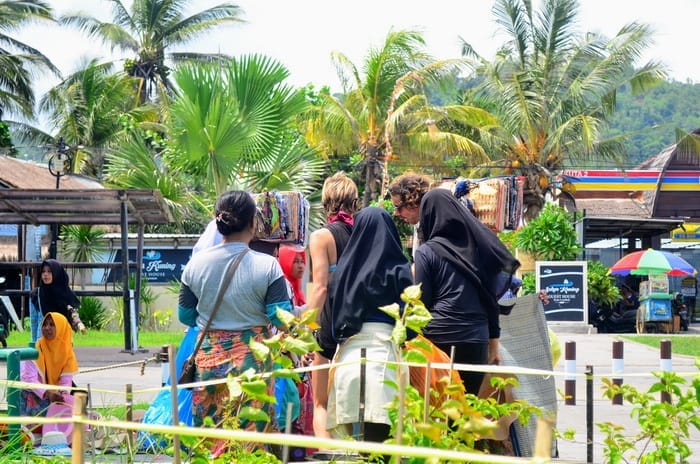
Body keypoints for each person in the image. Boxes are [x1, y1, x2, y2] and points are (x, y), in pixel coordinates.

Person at [178, 190, 293, 451]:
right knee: (251, 436)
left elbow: (185, 315)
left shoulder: (196, 265)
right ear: (253, 223)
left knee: (210, 434)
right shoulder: (268, 266)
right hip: (253, 361)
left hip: (208, 360)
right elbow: (279, 315)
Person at [413, 188, 520, 395]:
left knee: (437, 409)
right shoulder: (480, 248)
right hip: (475, 338)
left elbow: (422, 302)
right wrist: (494, 344)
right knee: (466, 407)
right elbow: (489, 299)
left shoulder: (426, 252)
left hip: (438, 337)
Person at [322, 207, 413, 443]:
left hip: (348, 360)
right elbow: (411, 325)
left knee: (353, 446)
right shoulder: (398, 269)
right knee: (382, 444)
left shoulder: (342, 273)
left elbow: (328, 330)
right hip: (384, 360)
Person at [306, 171, 358, 438]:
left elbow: (321, 287)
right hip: (363, 327)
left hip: (330, 327)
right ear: (355, 201)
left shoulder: (321, 237)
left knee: (321, 403)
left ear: (326, 202)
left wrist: (305, 328)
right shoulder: (366, 232)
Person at [20, 312, 78, 444]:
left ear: (62, 328)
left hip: (52, 396)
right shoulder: (34, 350)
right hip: (32, 394)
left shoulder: (67, 352)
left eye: (52, 325)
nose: (47, 328)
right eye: (45, 324)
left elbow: (66, 380)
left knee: (72, 401)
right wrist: (48, 393)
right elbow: (29, 380)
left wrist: (63, 394)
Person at [29, 259, 86, 344]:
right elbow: (34, 321)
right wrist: (34, 343)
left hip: (62, 337)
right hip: (43, 339)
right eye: (43, 271)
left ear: (57, 274)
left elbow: (72, 312)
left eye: (49, 272)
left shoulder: (65, 294)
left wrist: (78, 323)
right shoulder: (36, 294)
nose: (45, 274)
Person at [387, 173, 433, 261]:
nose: (396, 213)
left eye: (398, 207)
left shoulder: (434, 231)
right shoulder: (419, 226)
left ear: (414, 201)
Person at [278, 244, 307, 314]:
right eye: (296, 261)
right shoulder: (282, 285)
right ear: (285, 262)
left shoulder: (297, 287)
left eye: (302, 261)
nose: (301, 266)